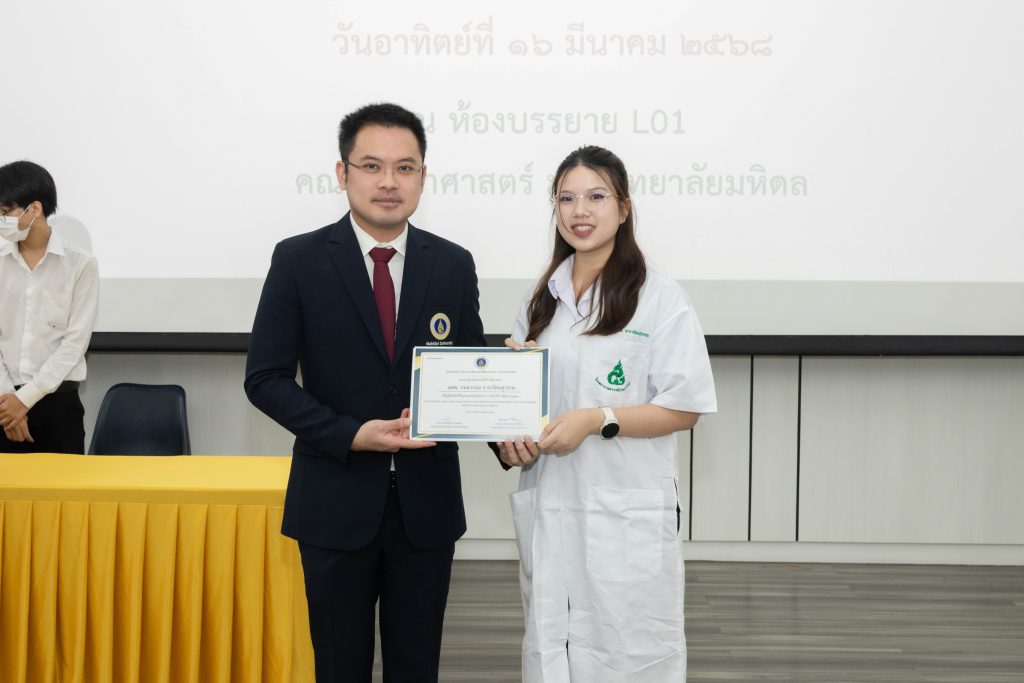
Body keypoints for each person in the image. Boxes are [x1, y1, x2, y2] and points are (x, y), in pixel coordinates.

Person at [244, 102, 486, 682]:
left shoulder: (452, 264)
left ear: (422, 176)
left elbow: (472, 375)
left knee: (416, 667)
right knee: (339, 667)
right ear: (342, 172)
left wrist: (512, 431)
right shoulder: (298, 259)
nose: (388, 182)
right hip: (334, 502)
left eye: (405, 168)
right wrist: (350, 434)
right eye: (372, 166)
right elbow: (265, 379)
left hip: (425, 508)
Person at [497, 146, 717, 681]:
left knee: (628, 651)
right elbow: (526, 405)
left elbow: (684, 406)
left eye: (596, 197)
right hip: (552, 500)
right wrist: (511, 434)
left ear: (623, 208)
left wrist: (597, 419)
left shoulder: (659, 296)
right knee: (550, 647)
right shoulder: (541, 296)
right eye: (566, 198)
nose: (580, 211)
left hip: (625, 507)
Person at [0, 160, 99, 454]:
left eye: (5, 212)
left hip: (58, 405)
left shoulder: (80, 264)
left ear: (34, 209)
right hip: (4, 405)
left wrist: (24, 399)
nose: (1, 220)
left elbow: (74, 344)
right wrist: (8, 401)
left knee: (64, 485)